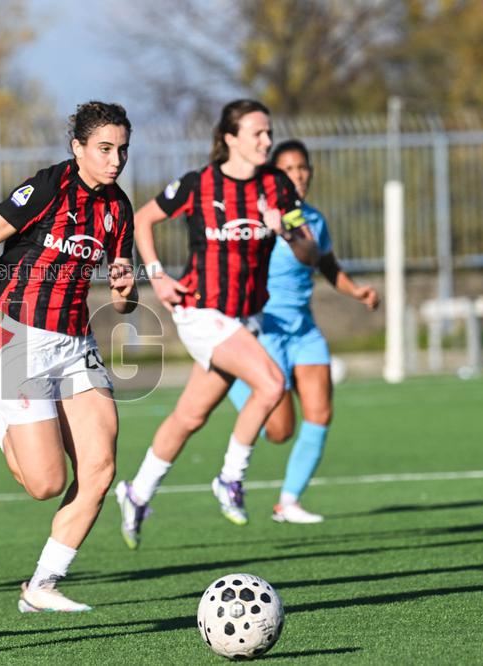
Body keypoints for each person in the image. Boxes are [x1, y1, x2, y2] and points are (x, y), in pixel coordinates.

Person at [0, 101, 138, 612]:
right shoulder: (49, 187)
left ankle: (42, 585)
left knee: (99, 470)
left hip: (77, 346)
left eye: (122, 150)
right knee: (46, 484)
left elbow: (123, 301)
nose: (115, 160)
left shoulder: (119, 208)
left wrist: (125, 290)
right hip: (21, 343)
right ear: (78, 148)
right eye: (104, 149)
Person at [114, 99, 318, 548]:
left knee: (190, 415)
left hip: (244, 317)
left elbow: (309, 251)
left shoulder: (277, 186)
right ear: (230, 138)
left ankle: (137, 492)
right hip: (201, 311)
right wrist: (157, 275)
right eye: (257, 133)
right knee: (271, 383)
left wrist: (285, 229)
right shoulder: (199, 184)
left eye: (268, 132)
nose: (267, 140)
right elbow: (143, 219)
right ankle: (230, 478)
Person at [227, 139, 380, 523]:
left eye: (302, 167)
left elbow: (327, 265)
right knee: (279, 431)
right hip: (266, 330)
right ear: (273, 176)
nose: (297, 175)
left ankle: (289, 502)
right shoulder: (257, 219)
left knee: (320, 413)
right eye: (288, 169)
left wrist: (356, 291)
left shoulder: (313, 220)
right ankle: (232, 379)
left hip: (304, 330)